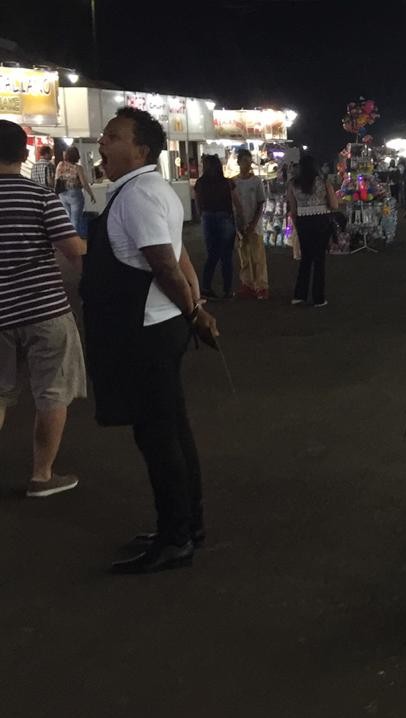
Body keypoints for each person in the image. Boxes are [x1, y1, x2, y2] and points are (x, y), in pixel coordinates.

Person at [81, 107, 219, 573]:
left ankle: (175, 537)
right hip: (160, 328)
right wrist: (196, 309)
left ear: (141, 149)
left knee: (159, 436)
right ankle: (186, 524)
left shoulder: (139, 195)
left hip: (146, 334)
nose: (102, 143)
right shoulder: (149, 190)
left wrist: (195, 312)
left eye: (113, 136)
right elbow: (181, 259)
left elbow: (164, 264)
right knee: (173, 429)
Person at [0, 120, 87, 499]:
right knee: (52, 391)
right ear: (23, 154)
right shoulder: (39, 197)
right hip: (44, 308)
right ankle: (42, 475)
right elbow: (72, 249)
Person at [286, 155, 338, 307]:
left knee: (306, 259)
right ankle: (318, 298)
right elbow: (334, 205)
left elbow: (293, 210)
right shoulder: (323, 182)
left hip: (303, 221)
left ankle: (299, 295)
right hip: (321, 220)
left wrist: (296, 225)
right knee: (319, 259)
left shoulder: (293, 184)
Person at [194, 155, 240, 300]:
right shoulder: (227, 182)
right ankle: (227, 291)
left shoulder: (200, 183)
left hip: (207, 218)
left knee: (212, 255)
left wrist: (202, 215)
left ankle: (206, 288)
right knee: (226, 256)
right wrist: (241, 220)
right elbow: (236, 202)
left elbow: (197, 202)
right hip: (224, 217)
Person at [232, 148, 269, 300]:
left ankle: (261, 286)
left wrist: (253, 223)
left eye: (249, 161)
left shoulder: (256, 181)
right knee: (244, 256)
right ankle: (247, 284)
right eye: (244, 161)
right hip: (240, 224)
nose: (247, 164)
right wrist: (240, 224)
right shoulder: (234, 182)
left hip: (255, 225)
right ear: (239, 162)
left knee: (258, 256)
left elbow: (261, 203)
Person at [55, 147, 97, 237]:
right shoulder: (78, 168)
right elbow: (84, 183)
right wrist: (91, 194)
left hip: (62, 194)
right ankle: (74, 241)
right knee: (75, 219)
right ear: (76, 156)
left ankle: (67, 239)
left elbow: (56, 179)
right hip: (75, 194)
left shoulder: (60, 164)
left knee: (67, 218)